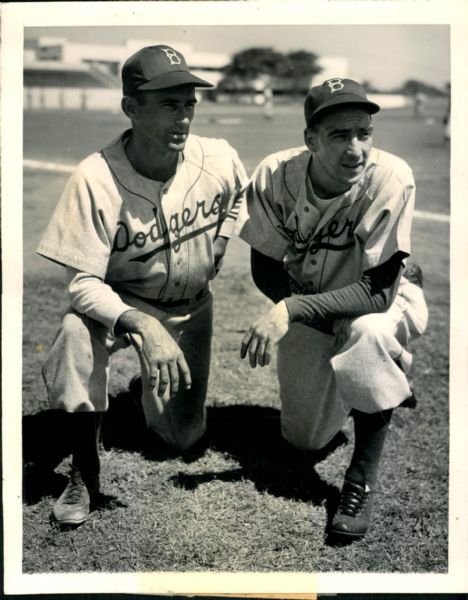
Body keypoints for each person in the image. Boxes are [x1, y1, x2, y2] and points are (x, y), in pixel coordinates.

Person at [37, 44, 247, 526]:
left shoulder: (216, 156)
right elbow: (82, 283)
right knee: (75, 335)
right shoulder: (96, 176)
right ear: (132, 107)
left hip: (191, 306)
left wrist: (222, 237)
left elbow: (241, 193)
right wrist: (142, 326)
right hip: (122, 302)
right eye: (169, 103)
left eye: (189, 102)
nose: (184, 116)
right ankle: (83, 473)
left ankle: (133, 398)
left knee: (182, 441)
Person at [237, 78, 428, 540]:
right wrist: (300, 309)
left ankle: (359, 480)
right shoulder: (275, 175)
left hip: (384, 298)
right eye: (340, 136)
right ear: (311, 139)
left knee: (369, 333)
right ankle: (384, 374)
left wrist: (292, 309)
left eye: (364, 133)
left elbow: (378, 292)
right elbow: (266, 269)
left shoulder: (390, 176)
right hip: (314, 303)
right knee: (305, 441)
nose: (355, 149)